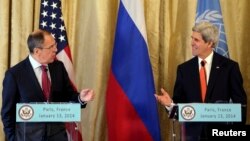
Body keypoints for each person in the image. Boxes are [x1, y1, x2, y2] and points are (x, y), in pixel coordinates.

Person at [155, 21, 247, 141]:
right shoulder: (184, 69)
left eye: (196, 40)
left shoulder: (229, 67)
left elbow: (240, 105)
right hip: (192, 135)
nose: (191, 43)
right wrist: (170, 104)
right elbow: (180, 107)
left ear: (209, 43)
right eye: (192, 38)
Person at [1, 29, 95, 141]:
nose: (56, 49)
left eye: (55, 45)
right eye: (51, 47)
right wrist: (13, 139)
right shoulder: (15, 74)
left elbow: (68, 96)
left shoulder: (58, 67)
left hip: (58, 136)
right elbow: (7, 114)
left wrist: (81, 98)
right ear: (37, 51)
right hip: (28, 137)